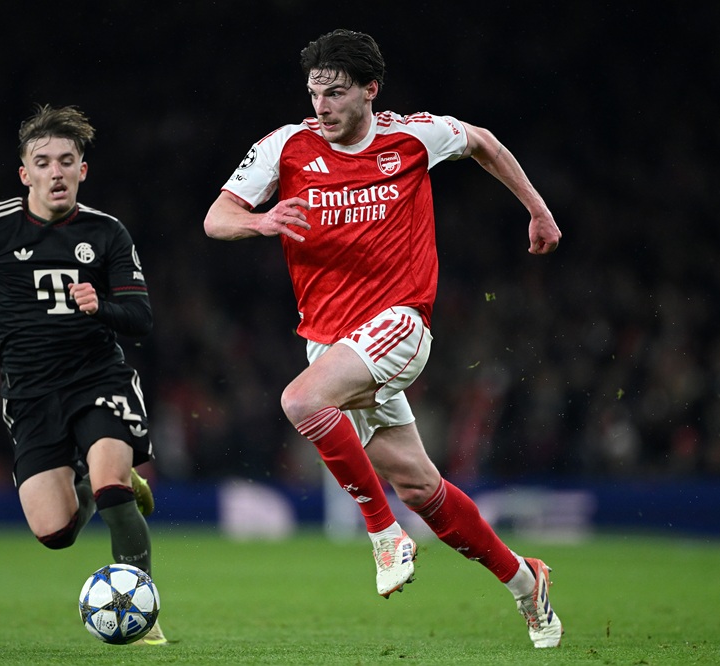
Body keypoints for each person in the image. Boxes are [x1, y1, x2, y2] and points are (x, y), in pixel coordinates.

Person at [203, 29, 563, 648]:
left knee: (298, 402)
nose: (322, 106)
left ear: (370, 91)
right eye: (315, 92)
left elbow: (482, 142)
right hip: (332, 343)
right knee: (422, 487)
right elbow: (216, 217)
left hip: (401, 322)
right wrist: (260, 221)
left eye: (336, 93)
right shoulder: (286, 148)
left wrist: (537, 208)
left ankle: (382, 532)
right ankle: (524, 582)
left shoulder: (411, 136)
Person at [0, 104, 166, 645]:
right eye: (43, 162)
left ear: (83, 169)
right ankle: (98, 479)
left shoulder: (108, 234)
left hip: (97, 379)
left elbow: (142, 319)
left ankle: (143, 617)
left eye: (67, 160)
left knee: (112, 492)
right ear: (25, 173)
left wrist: (101, 306)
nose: (56, 171)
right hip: (31, 395)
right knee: (54, 532)